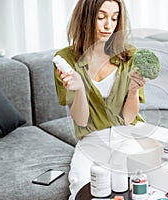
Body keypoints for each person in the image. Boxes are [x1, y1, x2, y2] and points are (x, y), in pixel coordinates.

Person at [53, 0, 152, 199]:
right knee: (81, 185)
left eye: (114, 18)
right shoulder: (65, 60)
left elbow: (127, 119)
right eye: (101, 17)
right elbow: (81, 121)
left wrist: (133, 91)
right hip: (92, 139)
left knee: (133, 183)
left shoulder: (130, 55)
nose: (109, 25)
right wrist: (80, 89)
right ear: (86, 18)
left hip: (128, 133)